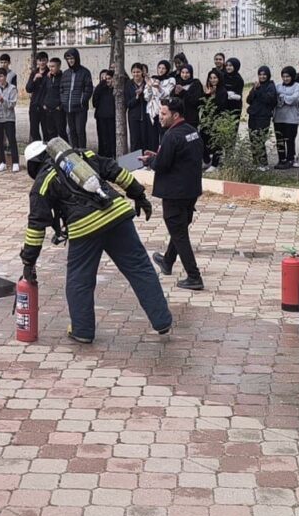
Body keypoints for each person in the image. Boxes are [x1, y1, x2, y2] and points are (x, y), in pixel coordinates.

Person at [19, 140, 171, 344]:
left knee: (80, 280)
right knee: (140, 268)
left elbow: (36, 226)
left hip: (85, 230)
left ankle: (82, 331)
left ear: (32, 165)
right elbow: (116, 170)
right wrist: (139, 195)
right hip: (117, 214)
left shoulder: (42, 182)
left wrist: (28, 261)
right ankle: (162, 320)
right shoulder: (81, 155)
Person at [143, 97, 205, 291]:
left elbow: (162, 165)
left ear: (175, 115)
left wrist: (150, 161)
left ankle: (194, 276)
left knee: (179, 233)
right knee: (179, 229)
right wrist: (158, 156)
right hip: (190, 190)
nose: (160, 117)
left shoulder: (171, 136)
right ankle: (167, 261)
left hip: (175, 193)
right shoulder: (192, 131)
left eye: (164, 114)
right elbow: (181, 157)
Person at [60, 48, 93, 149]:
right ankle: (74, 150)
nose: (70, 61)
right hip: (68, 108)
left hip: (80, 108)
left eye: (72, 58)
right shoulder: (65, 73)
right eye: (68, 59)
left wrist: (82, 101)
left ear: (76, 58)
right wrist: (63, 101)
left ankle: (82, 151)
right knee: (72, 131)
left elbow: (88, 89)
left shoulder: (85, 72)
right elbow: (61, 89)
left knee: (80, 131)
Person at [0, 68, 19, 172]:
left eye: (1, 76)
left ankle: (15, 163)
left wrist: (3, 101)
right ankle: (2, 162)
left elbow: (12, 104)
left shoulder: (12, 88)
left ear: (5, 77)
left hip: (9, 118)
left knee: (12, 140)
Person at [246, 66, 276, 170]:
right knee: (252, 139)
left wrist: (259, 90)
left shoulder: (271, 86)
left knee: (260, 139)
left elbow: (269, 100)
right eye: (260, 74)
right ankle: (255, 162)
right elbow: (248, 100)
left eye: (264, 75)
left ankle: (264, 163)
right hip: (253, 115)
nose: (262, 77)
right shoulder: (257, 85)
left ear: (268, 75)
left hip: (263, 116)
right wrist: (254, 90)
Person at [273, 66, 299, 169]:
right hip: (278, 117)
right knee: (280, 140)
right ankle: (281, 159)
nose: (285, 79)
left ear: (292, 76)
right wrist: (286, 99)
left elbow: (296, 98)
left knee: (290, 139)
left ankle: (290, 159)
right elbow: (275, 99)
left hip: (292, 118)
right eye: (284, 76)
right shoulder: (278, 86)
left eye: (288, 76)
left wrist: (283, 97)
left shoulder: (297, 85)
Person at [92, 69, 117, 158]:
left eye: (109, 78)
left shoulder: (116, 90)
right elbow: (94, 102)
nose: (106, 81)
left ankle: (113, 155)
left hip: (112, 117)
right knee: (103, 138)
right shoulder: (100, 89)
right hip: (101, 117)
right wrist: (100, 86)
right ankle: (104, 156)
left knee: (112, 138)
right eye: (104, 79)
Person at [43, 57, 66, 142]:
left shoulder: (64, 77)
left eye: (53, 66)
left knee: (61, 132)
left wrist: (61, 106)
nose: (51, 68)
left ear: (59, 66)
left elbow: (65, 93)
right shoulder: (48, 77)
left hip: (58, 110)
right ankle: (53, 149)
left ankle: (66, 149)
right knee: (51, 132)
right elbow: (44, 91)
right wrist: (44, 103)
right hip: (48, 109)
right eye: (50, 66)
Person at [26, 53, 48, 143]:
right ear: (37, 62)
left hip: (45, 106)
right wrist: (34, 79)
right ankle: (38, 148)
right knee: (34, 130)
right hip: (34, 105)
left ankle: (47, 148)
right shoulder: (34, 73)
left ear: (47, 61)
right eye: (40, 60)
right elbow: (28, 89)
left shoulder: (50, 72)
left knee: (46, 130)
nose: (42, 63)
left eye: (44, 60)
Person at [126, 63, 148, 153]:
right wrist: (137, 97)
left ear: (142, 72)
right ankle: (135, 160)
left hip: (146, 116)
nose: (136, 74)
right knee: (135, 140)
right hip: (134, 117)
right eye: (134, 72)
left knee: (146, 140)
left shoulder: (147, 83)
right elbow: (128, 103)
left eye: (138, 72)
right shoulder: (128, 84)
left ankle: (146, 159)